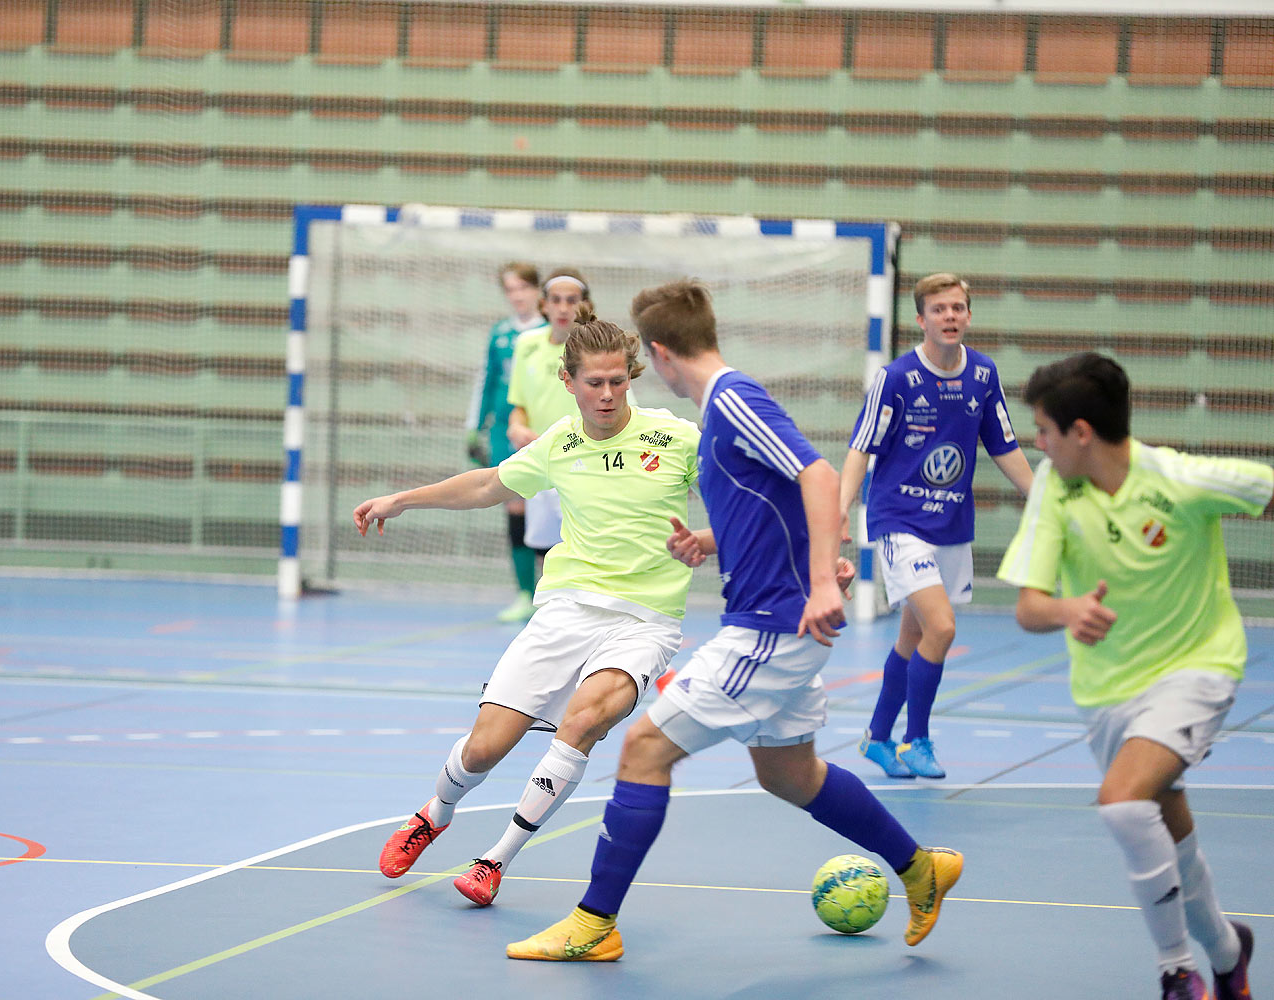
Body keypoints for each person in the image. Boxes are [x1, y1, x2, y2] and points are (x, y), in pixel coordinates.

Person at [508, 279, 964, 963]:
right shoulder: (725, 407)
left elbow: (815, 475)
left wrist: (819, 580)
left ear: (660, 354)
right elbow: (774, 499)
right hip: (777, 619)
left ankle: (593, 924)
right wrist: (712, 543)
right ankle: (920, 867)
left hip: (770, 628)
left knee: (642, 751)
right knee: (788, 775)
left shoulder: (730, 399)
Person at [355, 305, 701, 907]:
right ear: (567, 383)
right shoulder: (558, 443)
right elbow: (488, 485)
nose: (608, 393)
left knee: (585, 721)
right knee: (486, 747)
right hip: (566, 611)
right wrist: (402, 499)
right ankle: (434, 814)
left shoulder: (675, 438)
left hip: (645, 619)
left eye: (619, 380)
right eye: (594, 382)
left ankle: (495, 860)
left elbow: (743, 495)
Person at [998, 352, 1268, 1000]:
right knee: (1164, 824)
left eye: (1043, 430)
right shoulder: (1055, 491)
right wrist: (1069, 609)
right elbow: (1029, 608)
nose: (1037, 443)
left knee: (1123, 804)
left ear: (1081, 432)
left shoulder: (1178, 478)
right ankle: (1230, 953)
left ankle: (1177, 971)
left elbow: (1263, 487)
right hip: (1107, 693)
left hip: (1198, 666)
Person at [838, 272, 1033, 779]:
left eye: (957, 308)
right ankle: (915, 740)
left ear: (968, 315)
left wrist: (1040, 500)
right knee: (942, 628)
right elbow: (861, 447)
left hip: (951, 523)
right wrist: (841, 509)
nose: (950, 316)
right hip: (899, 520)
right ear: (921, 319)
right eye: (939, 309)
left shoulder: (984, 375)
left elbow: (1004, 446)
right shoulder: (897, 378)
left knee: (913, 638)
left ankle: (876, 738)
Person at [466, 262, 548, 622]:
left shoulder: (551, 332)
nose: (517, 296)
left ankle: (550, 593)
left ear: (536, 291)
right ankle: (524, 594)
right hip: (504, 428)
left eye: (523, 288)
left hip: (541, 425)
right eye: (510, 290)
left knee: (546, 509)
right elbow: (486, 381)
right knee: (513, 506)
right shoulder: (500, 334)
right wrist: (475, 426)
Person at [505, 268, 594, 560]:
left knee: (584, 553)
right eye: (556, 300)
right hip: (543, 464)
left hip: (585, 465)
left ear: (586, 305)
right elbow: (519, 407)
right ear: (543, 304)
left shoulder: (597, 349)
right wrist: (516, 428)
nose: (563, 308)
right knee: (546, 555)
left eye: (572, 300)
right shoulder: (527, 344)